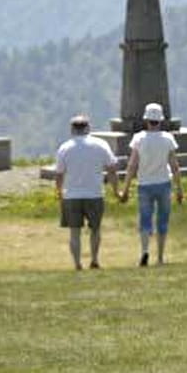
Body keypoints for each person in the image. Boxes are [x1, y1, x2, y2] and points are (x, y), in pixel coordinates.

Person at [119, 103, 184, 266]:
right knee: (162, 221)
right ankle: (160, 257)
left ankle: (145, 251)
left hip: (144, 184)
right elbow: (175, 165)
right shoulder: (168, 139)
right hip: (163, 182)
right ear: (160, 120)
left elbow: (132, 165)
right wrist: (179, 189)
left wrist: (125, 189)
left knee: (145, 221)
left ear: (146, 120)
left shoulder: (139, 139)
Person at [53, 114, 120, 270]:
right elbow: (111, 169)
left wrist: (58, 192)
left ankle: (77, 263)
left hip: (72, 195)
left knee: (74, 232)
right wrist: (116, 190)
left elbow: (59, 174)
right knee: (95, 230)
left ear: (72, 129)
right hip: (95, 193)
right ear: (88, 127)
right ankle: (95, 259)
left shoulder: (65, 148)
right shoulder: (100, 145)